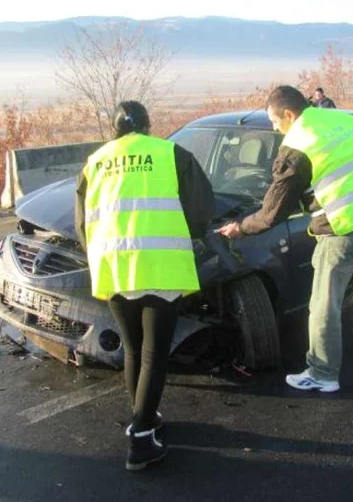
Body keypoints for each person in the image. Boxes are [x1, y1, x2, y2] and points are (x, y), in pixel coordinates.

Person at [219, 86, 353, 393]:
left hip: (342, 230)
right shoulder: (347, 120)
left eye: (276, 123)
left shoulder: (297, 144)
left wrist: (240, 227)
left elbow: (272, 212)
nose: (275, 129)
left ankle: (322, 373)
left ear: (289, 114)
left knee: (324, 305)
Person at [74, 101, 214, 471]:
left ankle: (145, 419)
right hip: (159, 265)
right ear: (149, 126)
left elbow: (82, 222)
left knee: (133, 349)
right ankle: (140, 438)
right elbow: (201, 209)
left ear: (114, 128)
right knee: (154, 353)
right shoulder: (170, 153)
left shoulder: (95, 162)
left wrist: (98, 252)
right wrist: (195, 234)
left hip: (114, 268)